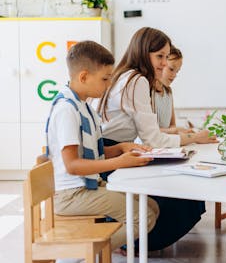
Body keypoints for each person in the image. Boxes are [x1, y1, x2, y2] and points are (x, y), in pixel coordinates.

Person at [97, 27, 214, 251]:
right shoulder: (137, 80)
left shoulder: (125, 75)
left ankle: (133, 239)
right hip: (113, 157)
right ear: (143, 52)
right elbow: (154, 138)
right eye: (159, 56)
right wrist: (193, 139)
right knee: (182, 191)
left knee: (178, 185)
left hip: (113, 151)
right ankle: (135, 242)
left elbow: (154, 134)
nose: (163, 64)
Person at [46, 40, 159, 252]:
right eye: (105, 79)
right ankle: (84, 254)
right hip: (72, 194)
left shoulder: (82, 105)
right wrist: (119, 162)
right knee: (143, 216)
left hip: (85, 187)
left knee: (150, 205)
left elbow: (93, 152)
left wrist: (122, 148)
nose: (108, 86)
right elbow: (73, 165)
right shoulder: (67, 110)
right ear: (83, 77)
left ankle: (96, 250)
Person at [153, 46, 192, 134]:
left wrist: (183, 131)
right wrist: (176, 131)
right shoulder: (147, 90)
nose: (174, 75)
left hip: (166, 144)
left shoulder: (168, 92)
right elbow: (148, 131)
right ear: (161, 64)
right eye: (171, 69)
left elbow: (172, 125)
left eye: (177, 71)